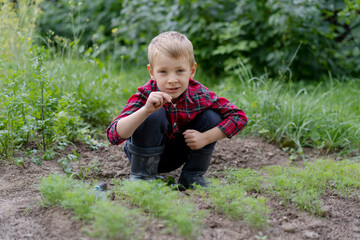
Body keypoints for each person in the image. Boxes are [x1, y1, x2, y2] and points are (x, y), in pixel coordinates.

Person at [107, 31, 247, 189]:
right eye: (163, 72)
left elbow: (239, 117)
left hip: (177, 155)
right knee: (154, 113)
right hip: (142, 155)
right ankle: (142, 178)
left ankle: (192, 177)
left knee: (211, 117)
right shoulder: (146, 94)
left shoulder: (199, 94)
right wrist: (145, 110)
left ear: (192, 70)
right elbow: (113, 135)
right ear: (152, 72)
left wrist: (206, 137)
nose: (172, 80)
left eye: (180, 71)